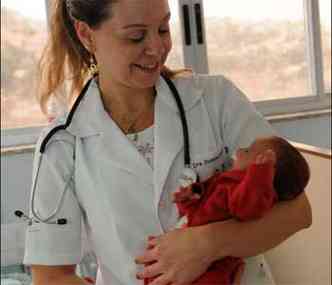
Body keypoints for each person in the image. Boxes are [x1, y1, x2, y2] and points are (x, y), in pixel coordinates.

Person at [23, 1, 312, 285]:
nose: (157, 48)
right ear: (86, 35)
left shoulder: (216, 100)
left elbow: (298, 212)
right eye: (136, 36)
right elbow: (50, 276)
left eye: (163, 29)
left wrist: (209, 242)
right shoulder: (61, 144)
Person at [144, 136, 310, 285]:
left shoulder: (252, 191)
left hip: (215, 265)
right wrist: (192, 195)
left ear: (264, 168)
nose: (238, 151)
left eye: (247, 151)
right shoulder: (230, 181)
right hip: (182, 250)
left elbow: (249, 209)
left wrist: (259, 174)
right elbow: (206, 205)